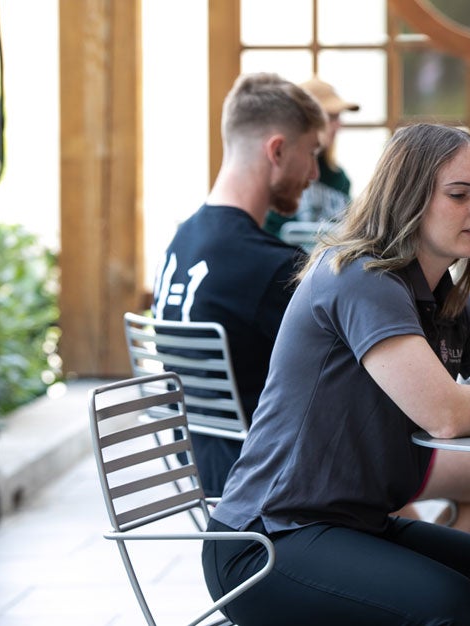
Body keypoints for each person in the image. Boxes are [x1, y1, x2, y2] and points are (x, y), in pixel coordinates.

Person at [202, 123, 470, 625]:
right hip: (267, 540)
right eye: (460, 194)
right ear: (407, 197)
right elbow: (446, 414)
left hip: (354, 525)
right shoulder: (360, 276)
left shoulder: (447, 302)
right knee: (454, 609)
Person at [151, 72, 324, 496]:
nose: (315, 172)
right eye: (312, 152)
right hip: (268, 475)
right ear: (278, 150)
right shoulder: (271, 266)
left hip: (198, 464)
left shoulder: (181, 241)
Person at [263, 77, 358, 237]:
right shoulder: (276, 175)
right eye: (330, 117)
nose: (338, 125)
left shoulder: (339, 178)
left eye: (338, 117)